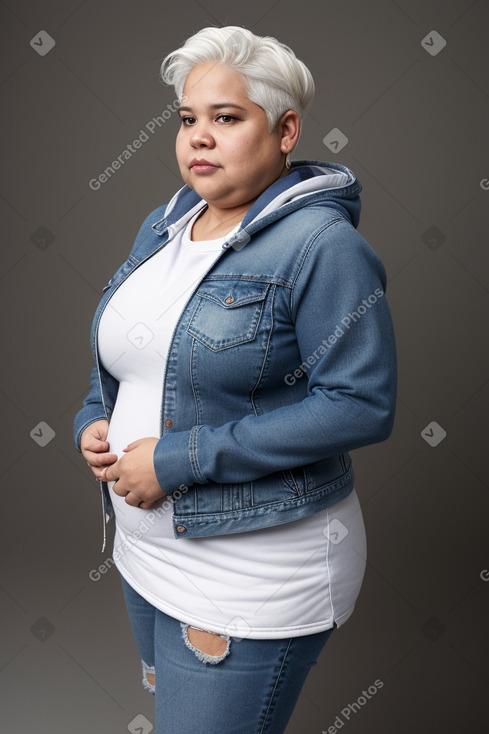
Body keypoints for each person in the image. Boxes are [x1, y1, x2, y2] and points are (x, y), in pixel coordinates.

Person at [73, 25, 397, 734]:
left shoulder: (322, 248)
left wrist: (177, 459)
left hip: (252, 573)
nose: (199, 137)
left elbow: (360, 405)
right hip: (143, 554)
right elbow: (128, 363)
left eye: (226, 118)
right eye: (188, 119)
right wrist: (94, 421)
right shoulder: (162, 227)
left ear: (285, 131)